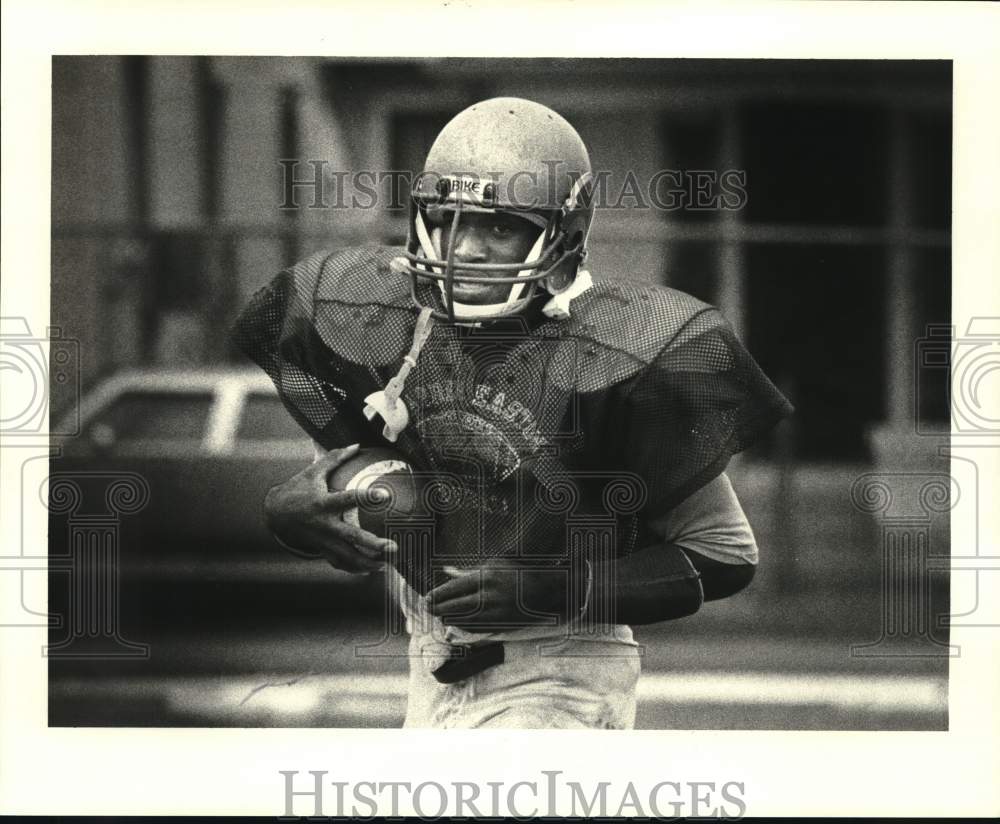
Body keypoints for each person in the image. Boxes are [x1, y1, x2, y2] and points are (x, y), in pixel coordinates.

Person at [233, 97, 793, 729]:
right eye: (448, 220)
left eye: (498, 228)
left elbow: (725, 554)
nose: (463, 248)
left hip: (559, 670)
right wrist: (288, 512)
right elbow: (353, 476)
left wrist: (553, 586)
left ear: (564, 240)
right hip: (431, 665)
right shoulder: (392, 329)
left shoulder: (610, 349)